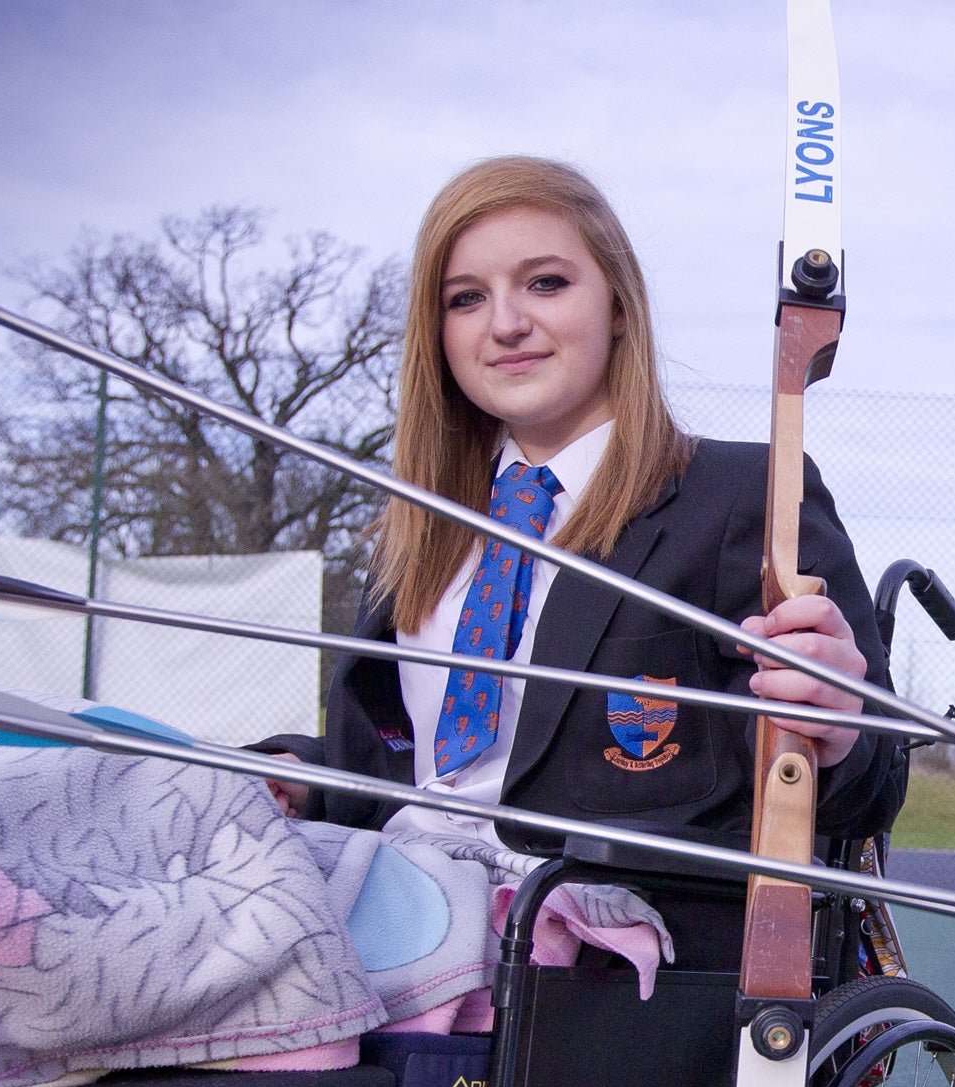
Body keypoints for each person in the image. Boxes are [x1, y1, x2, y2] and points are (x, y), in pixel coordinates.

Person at [254, 157, 905, 969]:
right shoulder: (420, 529)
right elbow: (391, 776)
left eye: (546, 284)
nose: (505, 324)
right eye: (466, 299)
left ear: (620, 307)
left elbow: (869, 787)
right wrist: (298, 778)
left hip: (585, 969)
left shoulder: (745, 498)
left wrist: (835, 730)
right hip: (391, 915)